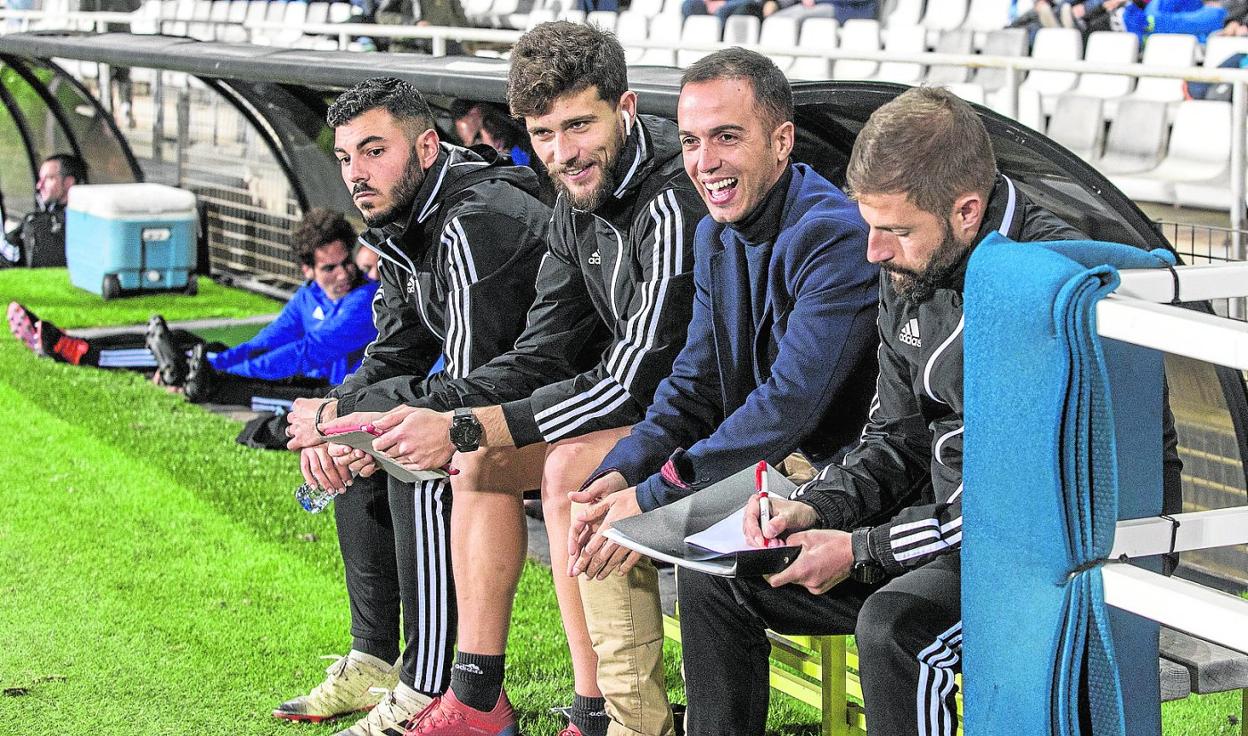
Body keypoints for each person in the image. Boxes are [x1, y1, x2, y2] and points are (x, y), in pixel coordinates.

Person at [668, 85, 1172, 736]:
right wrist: (819, 507)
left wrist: (862, 548)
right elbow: (895, 437)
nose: (873, 252)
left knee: (896, 629)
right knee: (718, 578)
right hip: (950, 527)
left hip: (1055, 547)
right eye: (868, 224)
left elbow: (1013, 509)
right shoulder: (911, 258)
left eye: (894, 231)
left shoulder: (1048, 281)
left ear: (966, 211)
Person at [317, 21, 706, 736]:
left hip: (702, 425)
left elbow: (637, 377)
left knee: (562, 469)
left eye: (579, 126)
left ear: (623, 108)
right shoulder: (569, 197)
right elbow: (541, 354)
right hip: (639, 409)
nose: (563, 153)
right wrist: (364, 416)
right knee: (480, 460)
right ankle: (475, 696)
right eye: (545, 134)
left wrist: (444, 419)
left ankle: (600, 714)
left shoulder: (671, 197)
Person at [562, 41, 878, 713]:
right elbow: (694, 385)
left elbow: (789, 407)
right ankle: (629, 722)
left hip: (851, 486)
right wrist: (621, 475)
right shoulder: (716, 232)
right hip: (775, 474)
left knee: (701, 563)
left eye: (727, 138)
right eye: (691, 142)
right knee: (591, 501)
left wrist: (656, 495)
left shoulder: (833, 235)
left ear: (782, 140)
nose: (705, 163)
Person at [283, 76, 552, 736]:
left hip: (561, 412)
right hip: (504, 399)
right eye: (346, 158)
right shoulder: (402, 216)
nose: (356, 174)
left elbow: (474, 386)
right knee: (363, 431)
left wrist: (354, 422)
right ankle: (376, 661)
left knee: (418, 455)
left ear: (427, 147)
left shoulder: (473, 221)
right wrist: (342, 414)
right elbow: (398, 347)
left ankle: (432, 687)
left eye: (374, 152)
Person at [6, 208, 377, 409]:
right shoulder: (308, 296)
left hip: (328, 391)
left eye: (346, 262)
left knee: (214, 372)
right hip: (294, 374)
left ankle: (81, 352)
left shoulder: (364, 301)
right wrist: (215, 362)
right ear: (307, 270)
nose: (344, 273)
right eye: (329, 267)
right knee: (190, 346)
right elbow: (265, 342)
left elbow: (306, 353)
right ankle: (77, 348)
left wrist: (213, 368)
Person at [0, 153, 86, 268]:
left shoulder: (80, 219)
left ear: (68, 182)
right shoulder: (42, 215)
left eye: (49, 178)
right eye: (40, 179)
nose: (39, 185)